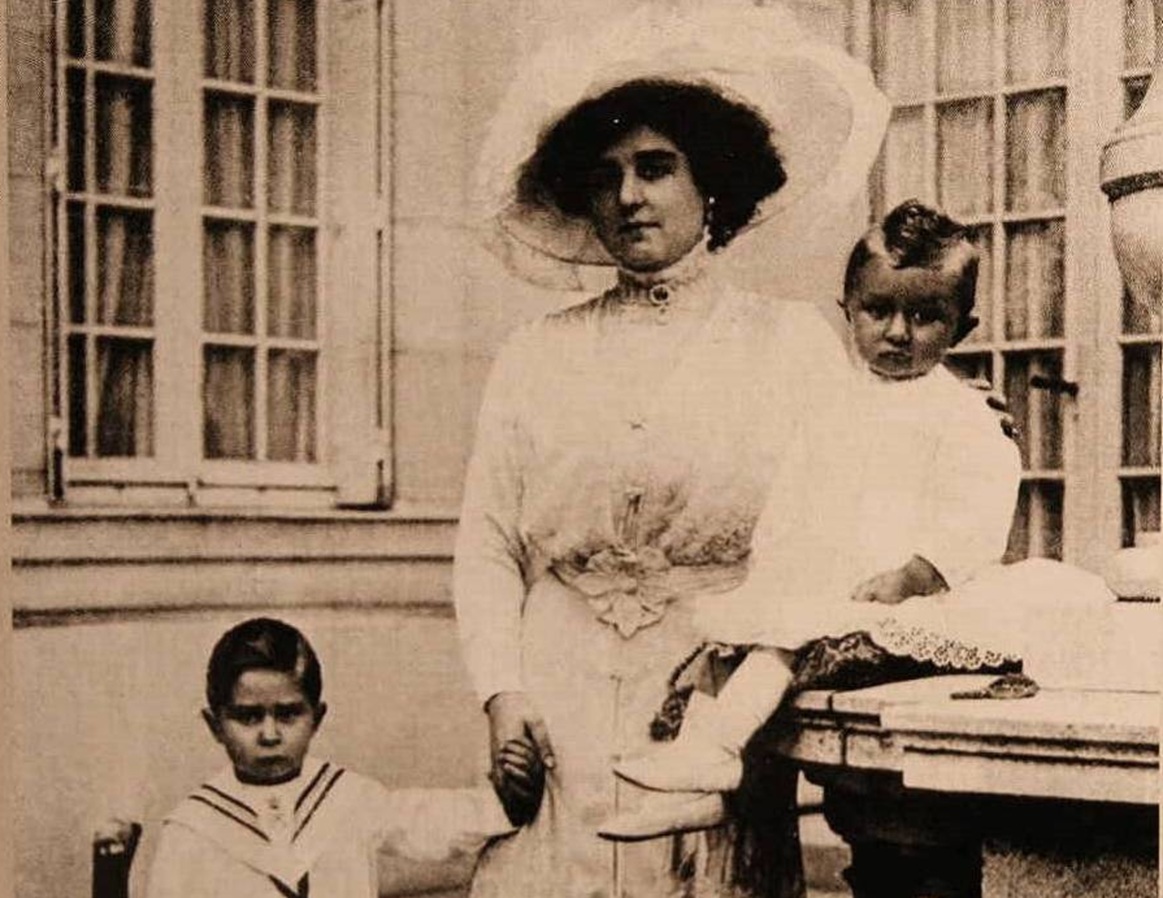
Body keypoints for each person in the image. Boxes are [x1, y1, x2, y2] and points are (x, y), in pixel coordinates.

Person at [455, 3, 892, 896]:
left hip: (709, 699)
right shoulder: (536, 354)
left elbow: (834, 529)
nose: (628, 197)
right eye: (607, 174)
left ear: (713, 185)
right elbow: (489, 542)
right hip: (557, 695)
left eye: (655, 168)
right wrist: (503, 695)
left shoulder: (792, 345)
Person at [602, 201, 1026, 838]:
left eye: (925, 316)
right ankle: (704, 781)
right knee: (728, 639)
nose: (899, 333)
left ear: (960, 330)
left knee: (778, 645)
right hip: (828, 578)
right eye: (878, 311)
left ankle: (717, 755)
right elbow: (798, 488)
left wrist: (917, 572)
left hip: (901, 596)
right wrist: (774, 565)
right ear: (847, 312)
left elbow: (977, 508)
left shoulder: (960, 415)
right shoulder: (835, 400)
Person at [144, 617, 519, 898]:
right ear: (215, 725)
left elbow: (426, 823)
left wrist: (505, 802)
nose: (270, 734)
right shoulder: (193, 829)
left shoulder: (343, 797)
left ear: (316, 718)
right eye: (248, 716)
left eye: (289, 714)